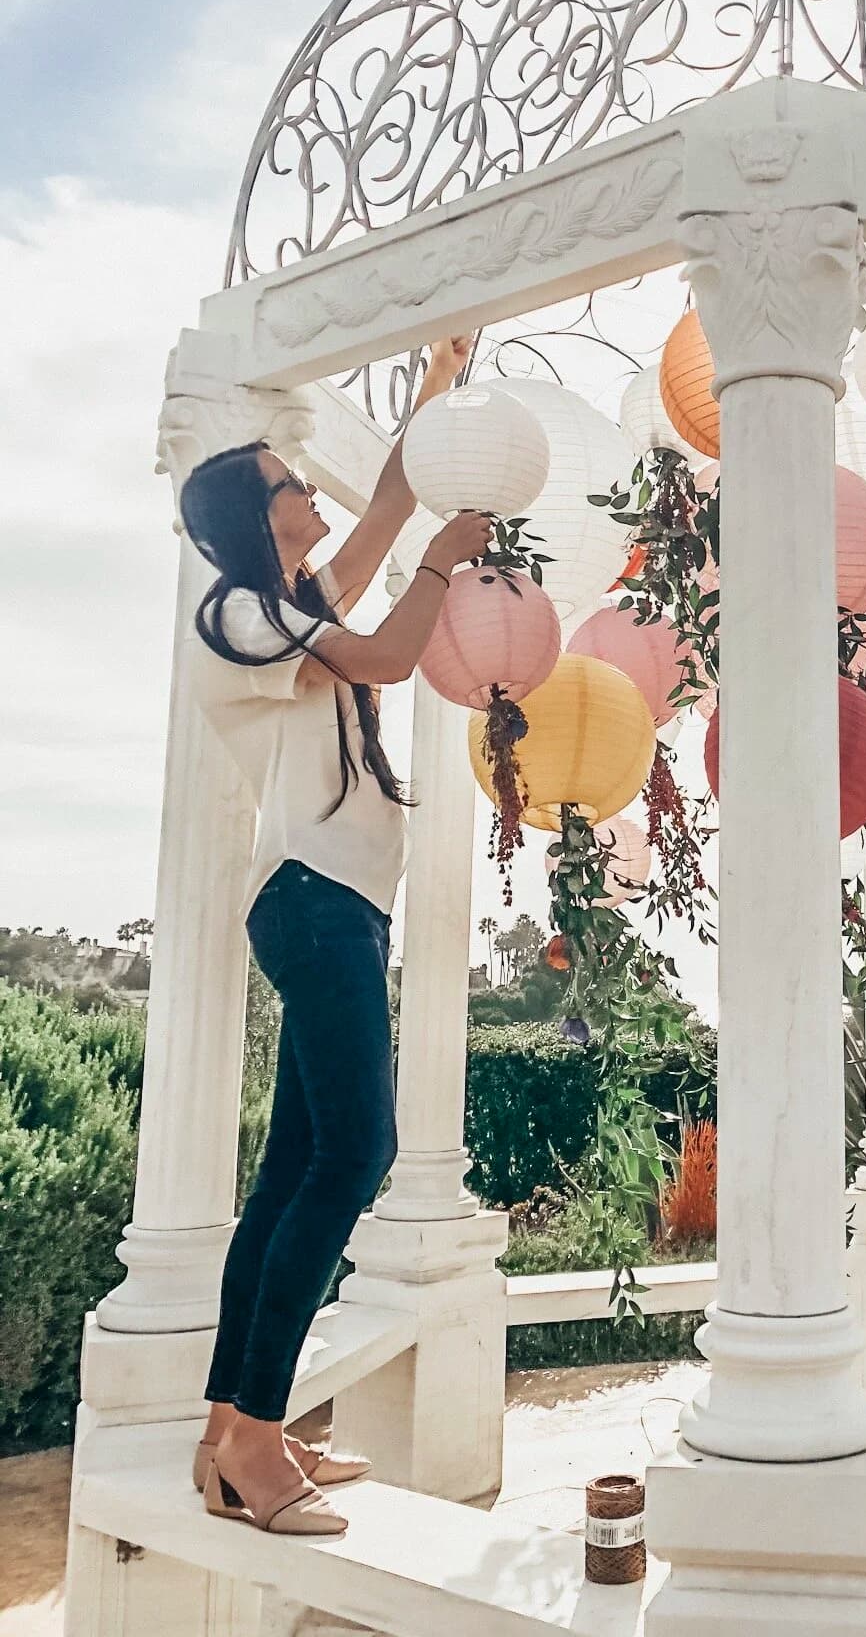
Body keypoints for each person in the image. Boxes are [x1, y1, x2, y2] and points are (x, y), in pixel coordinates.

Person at [179, 337, 493, 1537]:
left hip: (343, 904)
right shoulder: (240, 611)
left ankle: (227, 1430)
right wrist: (436, 567)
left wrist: (436, 396)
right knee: (358, 1152)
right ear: (252, 515)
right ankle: (260, 1439)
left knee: (289, 1177)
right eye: (289, 480)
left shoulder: (292, 600)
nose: (312, 490)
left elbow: (396, 494)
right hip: (311, 899)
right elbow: (386, 652)